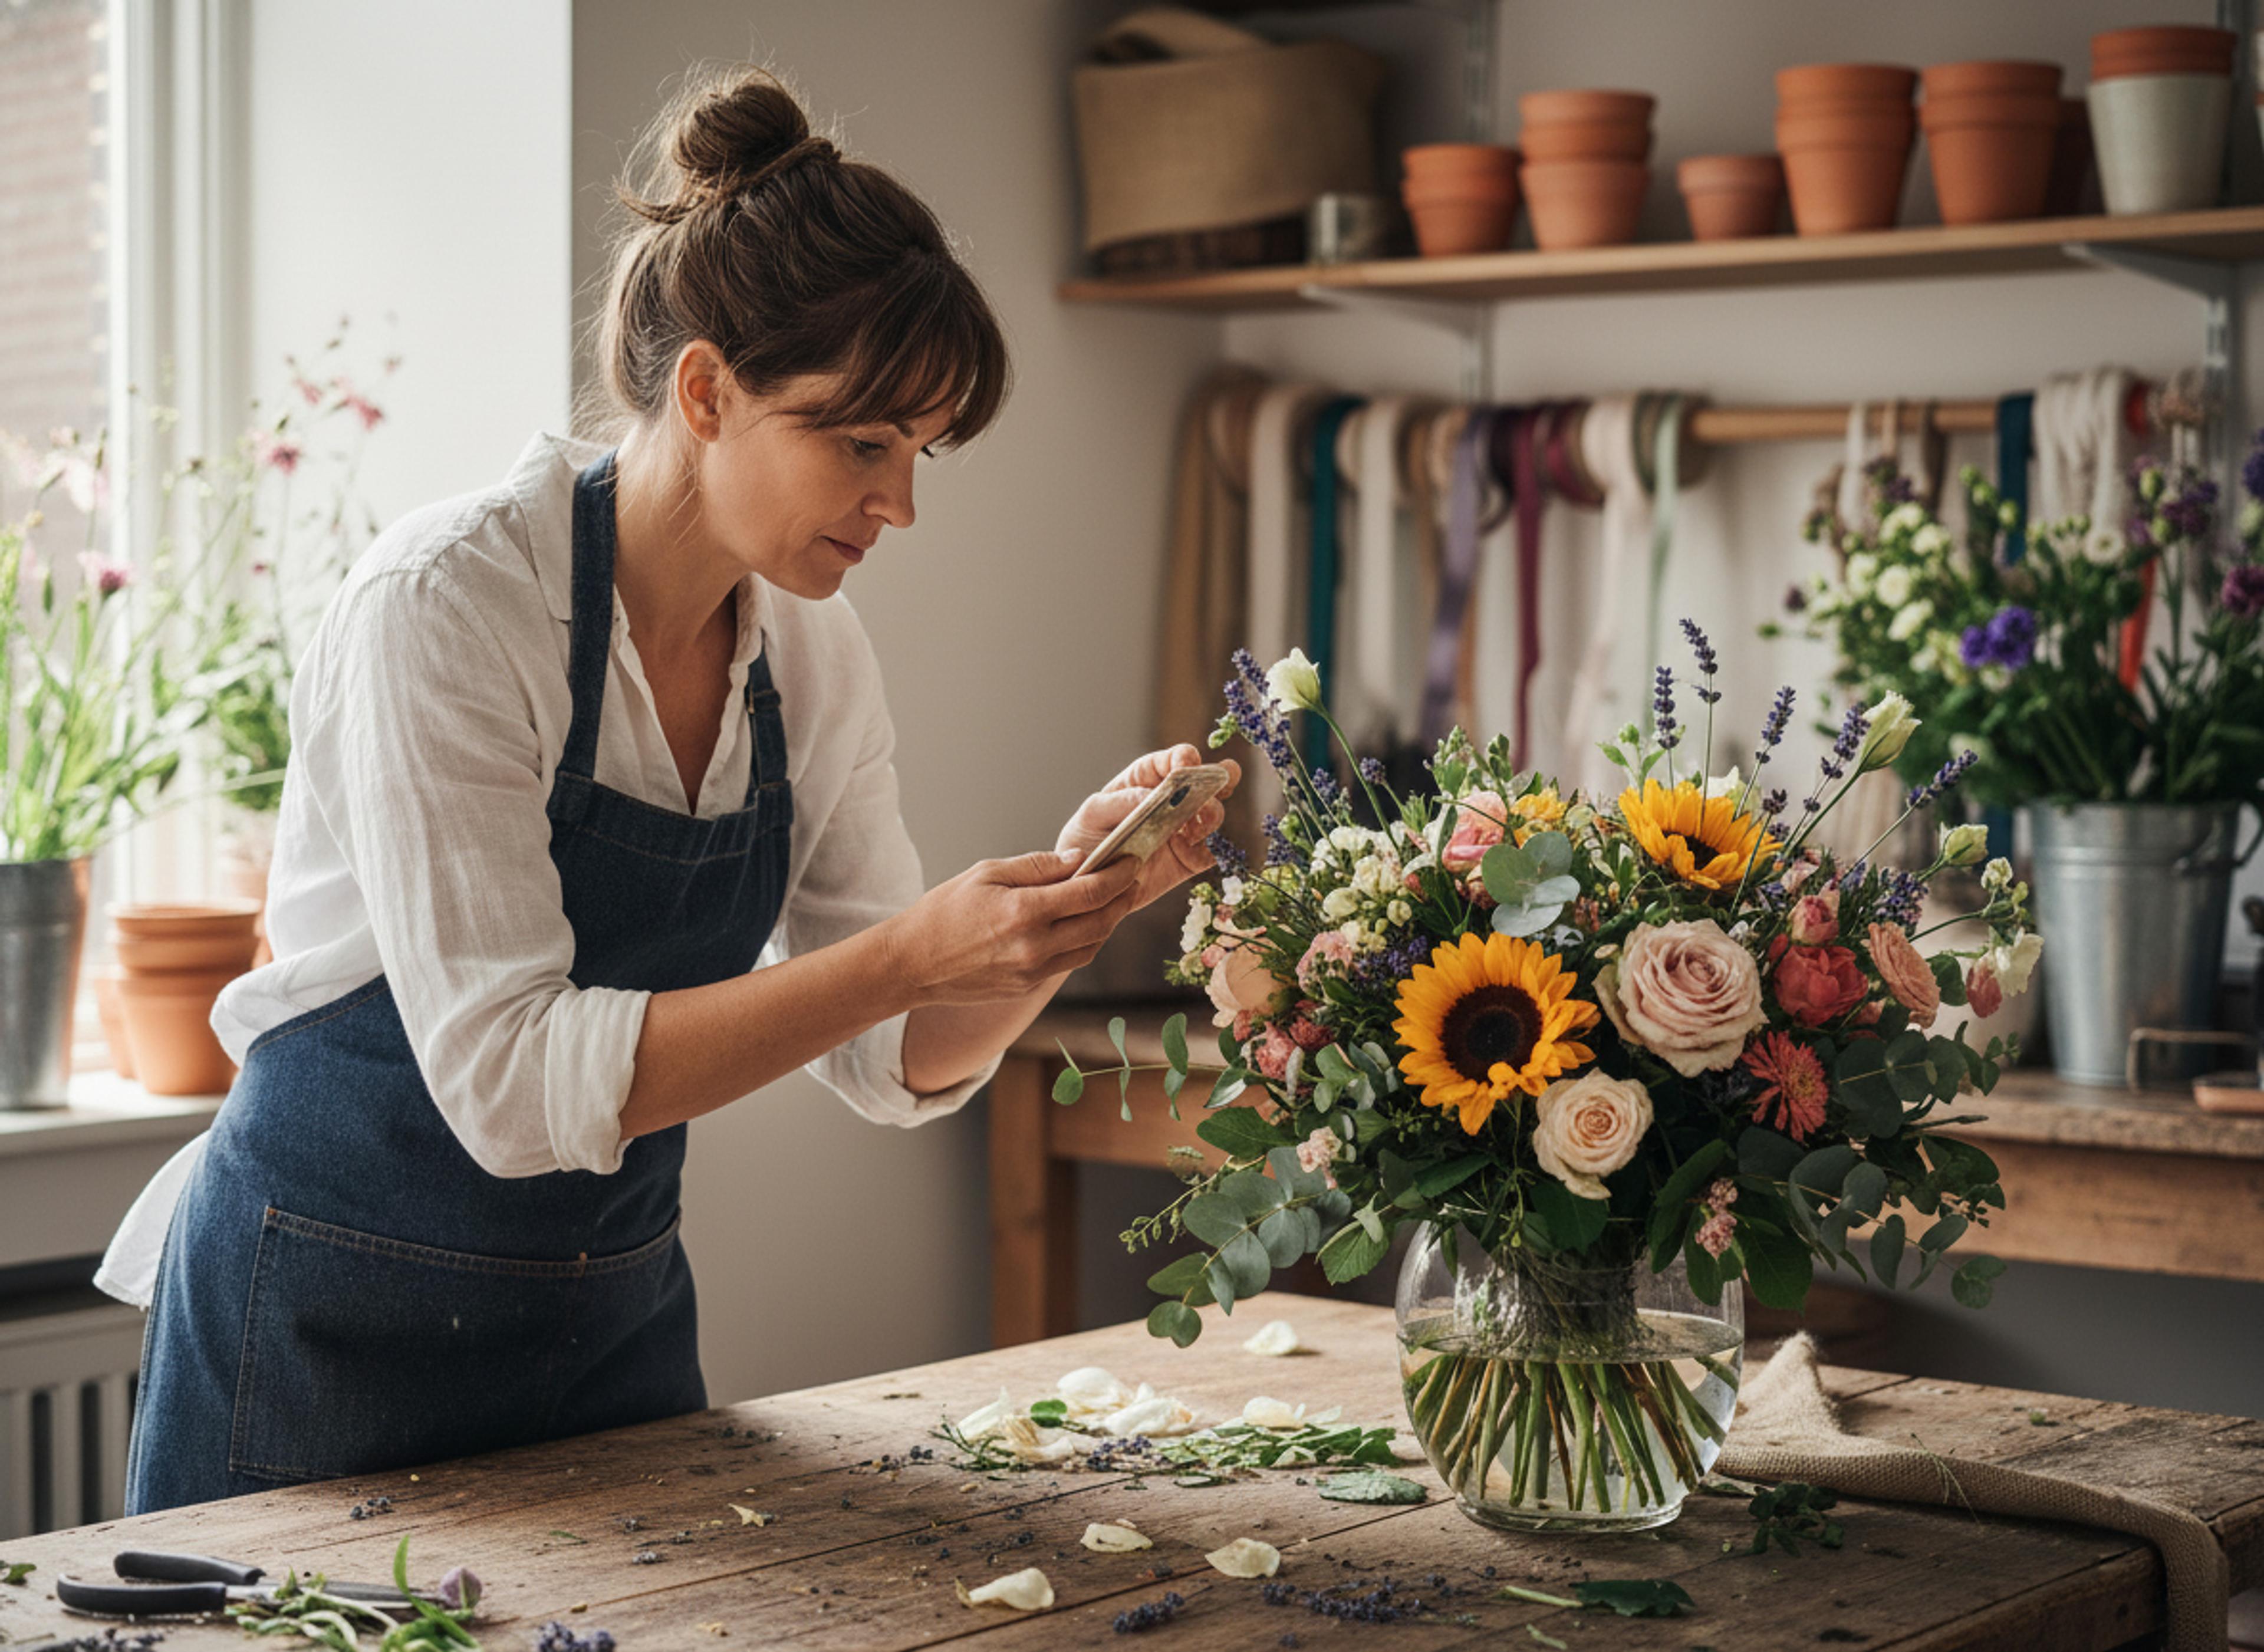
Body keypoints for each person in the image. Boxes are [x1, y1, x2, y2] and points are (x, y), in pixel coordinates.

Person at [104, 65, 1235, 1513]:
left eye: (921, 450)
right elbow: (512, 1090)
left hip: (609, 1330)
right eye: (863, 441)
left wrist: (1062, 917)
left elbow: (895, 1060)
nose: (902, 503)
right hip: (327, 1325)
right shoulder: (445, 610)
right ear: (707, 389)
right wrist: (910, 954)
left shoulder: (808, 650)